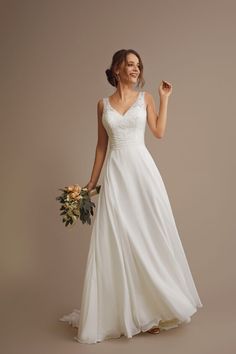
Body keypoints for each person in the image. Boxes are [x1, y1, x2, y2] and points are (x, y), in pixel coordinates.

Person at [59, 48, 203, 344]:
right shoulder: (102, 105)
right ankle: (128, 311)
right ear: (116, 68)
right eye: (130, 64)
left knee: (147, 236)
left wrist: (164, 99)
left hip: (142, 174)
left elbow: (159, 132)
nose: (135, 69)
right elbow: (101, 146)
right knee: (119, 239)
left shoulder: (145, 98)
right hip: (116, 174)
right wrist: (91, 182)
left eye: (138, 65)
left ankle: (153, 310)